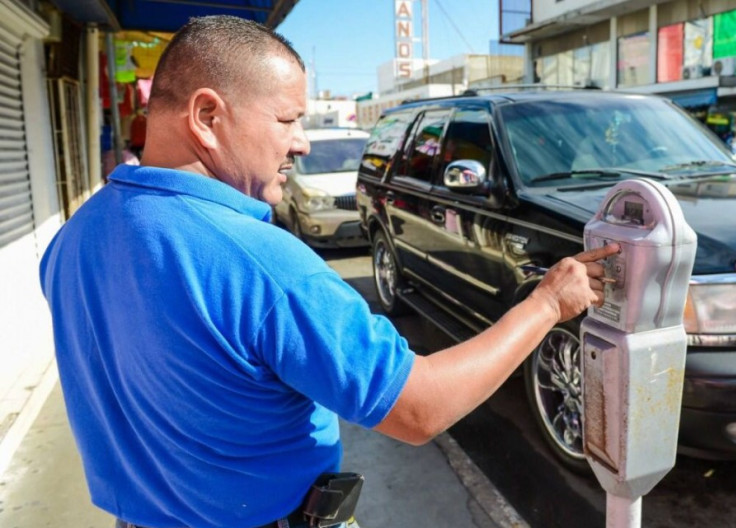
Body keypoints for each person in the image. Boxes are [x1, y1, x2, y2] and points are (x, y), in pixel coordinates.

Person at [38, 16, 617, 528]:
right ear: (208, 115)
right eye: (288, 119)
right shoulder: (261, 263)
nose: (303, 143)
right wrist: (546, 304)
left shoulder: (74, 238)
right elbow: (419, 408)